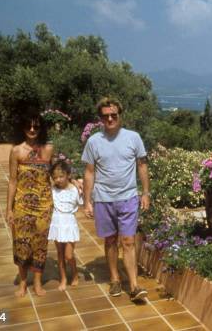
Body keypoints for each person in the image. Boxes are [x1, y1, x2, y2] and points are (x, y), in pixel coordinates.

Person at [81, 97, 151, 302]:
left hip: (128, 197)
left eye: (113, 115)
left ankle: (134, 285)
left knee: (128, 241)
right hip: (103, 199)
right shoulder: (94, 141)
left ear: (120, 115)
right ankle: (114, 279)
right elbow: (89, 172)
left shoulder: (133, 138)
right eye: (105, 116)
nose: (110, 118)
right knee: (111, 240)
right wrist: (87, 201)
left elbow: (142, 166)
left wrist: (146, 193)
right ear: (100, 118)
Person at [6, 110, 54, 297]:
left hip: (44, 205)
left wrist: (73, 181)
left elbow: (55, 173)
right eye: (28, 126)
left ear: (41, 128)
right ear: (23, 128)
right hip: (22, 206)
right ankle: (23, 284)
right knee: (22, 244)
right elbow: (12, 180)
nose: (32, 129)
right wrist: (8, 209)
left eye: (36, 126)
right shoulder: (16, 151)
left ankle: (37, 283)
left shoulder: (48, 149)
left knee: (40, 244)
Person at [48, 160, 82, 291]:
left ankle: (74, 272)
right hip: (57, 223)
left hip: (69, 224)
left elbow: (82, 202)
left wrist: (75, 181)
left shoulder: (75, 190)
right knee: (60, 254)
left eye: (61, 176)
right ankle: (63, 278)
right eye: (55, 177)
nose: (58, 180)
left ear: (68, 175)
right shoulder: (52, 190)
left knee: (68, 255)